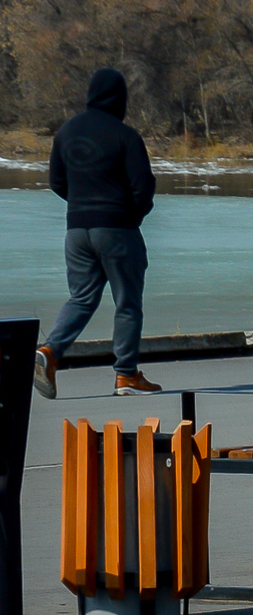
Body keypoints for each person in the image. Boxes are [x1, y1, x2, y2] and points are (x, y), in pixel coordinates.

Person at [37, 68, 159, 398]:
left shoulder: (65, 132)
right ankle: (126, 375)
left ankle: (49, 352)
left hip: (76, 230)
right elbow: (143, 187)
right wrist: (131, 214)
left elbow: (56, 182)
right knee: (128, 303)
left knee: (82, 297)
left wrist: (82, 206)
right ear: (120, 98)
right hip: (118, 229)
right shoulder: (126, 136)